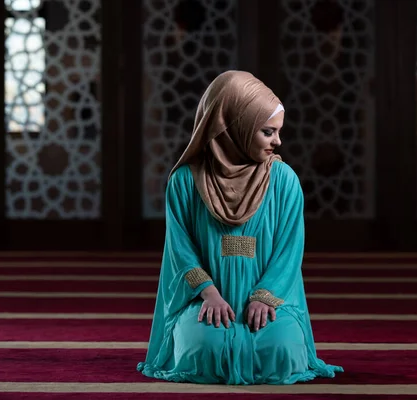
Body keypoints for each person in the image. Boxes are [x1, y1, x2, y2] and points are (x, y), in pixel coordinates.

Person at [137, 70, 343, 385]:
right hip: (204, 301)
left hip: (269, 302)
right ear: (236, 127)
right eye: (268, 132)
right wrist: (209, 295)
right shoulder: (185, 182)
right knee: (203, 349)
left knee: (281, 349)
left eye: (278, 132)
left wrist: (265, 297)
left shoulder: (284, 181)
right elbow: (179, 250)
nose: (278, 141)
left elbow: (290, 250)